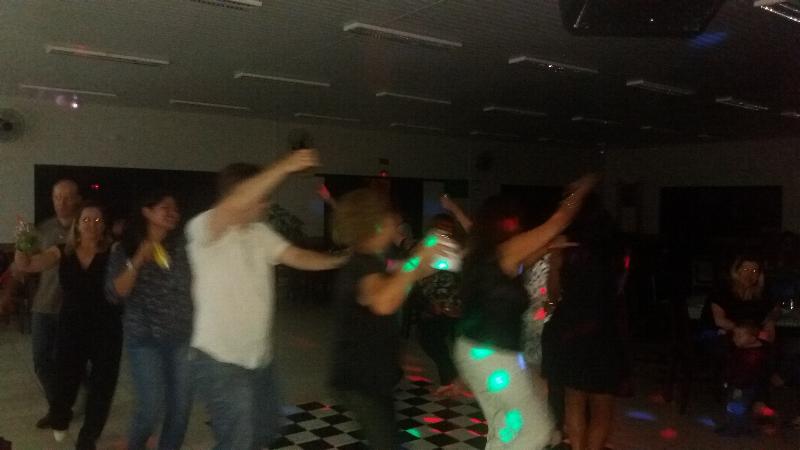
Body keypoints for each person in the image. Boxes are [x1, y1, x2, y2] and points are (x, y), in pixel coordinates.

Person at [185, 150, 348, 450]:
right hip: (219, 360)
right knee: (239, 440)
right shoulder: (206, 227)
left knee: (265, 430)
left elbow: (296, 256)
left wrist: (340, 261)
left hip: (260, 359)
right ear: (241, 194)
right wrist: (286, 165)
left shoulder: (260, 232)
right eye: (262, 196)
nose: (267, 203)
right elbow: (237, 202)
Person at [454, 175, 597, 450]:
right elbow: (559, 220)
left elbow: (524, 261)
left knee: (504, 426)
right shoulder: (504, 251)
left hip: (472, 349)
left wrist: (548, 246)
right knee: (537, 431)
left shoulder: (482, 255)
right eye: (516, 220)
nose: (520, 226)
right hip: (494, 355)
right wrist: (581, 190)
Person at [329, 188, 442, 449]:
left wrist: (425, 263)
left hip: (371, 374)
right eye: (391, 216)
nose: (396, 221)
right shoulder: (363, 263)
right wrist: (418, 260)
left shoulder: (374, 260)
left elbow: (405, 274)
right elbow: (383, 303)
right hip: (361, 378)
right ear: (375, 223)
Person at [15, 202, 122, 449]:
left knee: (102, 385)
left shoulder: (113, 251)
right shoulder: (62, 251)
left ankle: (88, 436)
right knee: (65, 378)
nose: (91, 225)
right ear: (77, 224)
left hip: (107, 327)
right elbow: (27, 265)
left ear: (104, 226)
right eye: (86, 220)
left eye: (97, 220)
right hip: (72, 326)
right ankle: (60, 417)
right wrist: (21, 242)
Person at [106, 190, 194, 450]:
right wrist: (138, 260)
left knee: (180, 409)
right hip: (145, 340)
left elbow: (193, 286)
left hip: (182, 337)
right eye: (165, 207)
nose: (173, 212)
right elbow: (115, 293)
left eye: (175, 208)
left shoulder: (182, 247)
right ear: (146, 211)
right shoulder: (124, 248)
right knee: (150, 409)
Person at [544, 194, 627, 450]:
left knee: (574, 399)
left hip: (571, 326)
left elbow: (553, 295)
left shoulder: (566, 247)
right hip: (605, 327)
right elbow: (620, 289)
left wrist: (556, 262)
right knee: (602, 404)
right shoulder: (617, 249)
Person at [17, 179, 82, 428]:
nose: (61, 202)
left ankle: (76, 400)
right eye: (57, 197)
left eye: (67, 197)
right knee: (42, 362)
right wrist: (22, 243)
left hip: (73, 309)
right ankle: (59, 408)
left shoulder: (87, 227)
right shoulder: (43, 229)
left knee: (73, 363)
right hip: (44, 306)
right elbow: (25, 265)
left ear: (77, 199)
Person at [415, 213, 465, 396]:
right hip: (431, 304)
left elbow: (459, 278)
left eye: (447, 227)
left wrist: (453, 304)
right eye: (440, 227)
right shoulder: (425, 247)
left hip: (451, 304)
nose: (444, 231)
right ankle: (450, 377)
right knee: (430, 341)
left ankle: (450, 379)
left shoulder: (456, 249)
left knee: (439, 341)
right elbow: (420, 278)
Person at [716, 321, 776, 436]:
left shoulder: (755, 355)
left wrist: (737, 384)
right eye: (734, 335)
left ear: (752, 338)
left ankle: (735, 429)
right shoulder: (742, 348)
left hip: (744, 386)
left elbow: (752, 373)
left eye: (739, 336)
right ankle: (733, 425)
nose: (735, 339)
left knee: (737, 407)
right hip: (738, 383)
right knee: (732, 405)